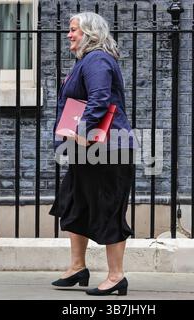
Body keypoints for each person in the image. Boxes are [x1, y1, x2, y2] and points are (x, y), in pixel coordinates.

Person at [49, 11, 137, 296]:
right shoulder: (86, 61)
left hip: (107, 150)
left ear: (89, 34)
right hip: (88, 151)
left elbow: (100, 98)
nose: (68, 34)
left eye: (73, 29)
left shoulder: (97, 59)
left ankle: (116, 277)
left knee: (108, 209)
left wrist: (84, 133)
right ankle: (77, 267)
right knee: (76, 203)